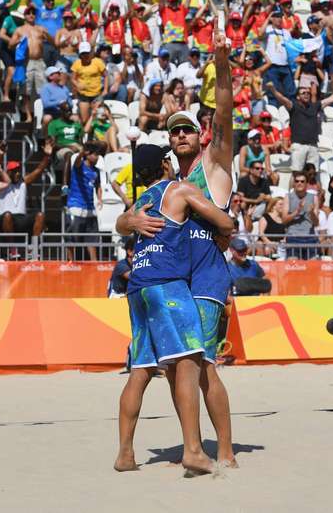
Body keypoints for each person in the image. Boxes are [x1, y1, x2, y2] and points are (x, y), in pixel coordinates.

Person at [117, 31, 237, 467]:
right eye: (175, 131)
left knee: (201, 366)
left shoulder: (214, 164)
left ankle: (219, 451)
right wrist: (129, 220)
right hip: (176, 279)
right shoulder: (168, 187)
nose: (181, 134)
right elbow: (127, 219)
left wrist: (221, 63)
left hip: (205, 277)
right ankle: (198, 449)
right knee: (178, 367)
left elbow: (224, 109)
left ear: (200, 135)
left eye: (188, 129)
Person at [115, 143, 234, 474]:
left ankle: (125, 454)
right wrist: (224, 229)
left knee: (140, 370)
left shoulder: (141, 203)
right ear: (165, 164)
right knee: (189, 362)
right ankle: (193, 450)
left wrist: (128, 222)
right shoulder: (178, 189)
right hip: (167, 285)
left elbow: (120, 223)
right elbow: (222, 221)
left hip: (137, 288)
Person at [266, 82, 333, 171]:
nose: (306, 95)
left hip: (313, 146)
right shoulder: (293, 107)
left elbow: (331, 99)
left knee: (313, 174)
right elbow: (282, 99)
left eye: (308, 93)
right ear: (298, 97)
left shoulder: (315, 106)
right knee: (296, 173)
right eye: (303, 93)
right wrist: (272, 89)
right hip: (299, 146)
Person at [0, 144, 48, 249]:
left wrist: (47, 155)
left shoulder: (23, 182)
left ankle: (34, 247)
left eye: (18, 171)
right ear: (8, 172)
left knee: (40, 215)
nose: (18, 173)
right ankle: (12, 249)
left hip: (20, 218)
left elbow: (38, 170)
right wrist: (0, 153)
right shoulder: (2, 183)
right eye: (14, 171)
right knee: (7, 215)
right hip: (3, 218)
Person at [64, 141, 102, 261]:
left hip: (90, 209)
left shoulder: (96, 171)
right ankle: (70, 263)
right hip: (76, 207)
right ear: (88, 154)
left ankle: (94, 263)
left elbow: (98, 186)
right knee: (72, 238)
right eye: (95, 154)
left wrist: (100, 198)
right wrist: (81, 153)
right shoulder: (79, 166)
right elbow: (76, 162)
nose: (97, 157)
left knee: (92, 239)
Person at [282, 171, 320, 259]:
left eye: (302, 181)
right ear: (294, 183)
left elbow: (316, 223)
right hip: (293, 237)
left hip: (310, 237)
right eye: (297, 181)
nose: (299, 183)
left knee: (313, 266)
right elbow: (284, 220)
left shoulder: (314, 197)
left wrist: (311, 213)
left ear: (306, 184)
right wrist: (297, 211)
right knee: (293, 264)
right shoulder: (288, 197)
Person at [71, 42, 106, 124]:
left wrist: (106, 89)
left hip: (96, 94)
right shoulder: (77, 63)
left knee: (98, 118)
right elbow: (72, 78)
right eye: (83, 53)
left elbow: (106, 75)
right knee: (84, 120)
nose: (85, 55)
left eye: (87, 53)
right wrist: (77, 84)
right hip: (83, 95)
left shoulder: (98, 62)